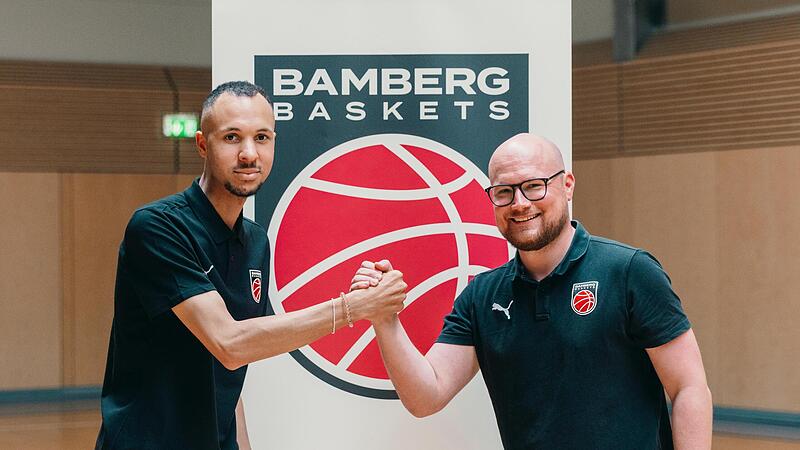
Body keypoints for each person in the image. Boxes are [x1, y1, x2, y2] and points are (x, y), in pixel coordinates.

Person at [95, 81, 407, 450]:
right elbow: (230, 343)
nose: (248, 154)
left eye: (261, 137)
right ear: (201, 144)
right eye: (231, 138)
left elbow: (230, 370)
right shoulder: (158, 227)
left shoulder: (256, 242)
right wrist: (351, 308)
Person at [352, 133, 712, 449]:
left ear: (567, 185)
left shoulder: (629, 271)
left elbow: (688, 387)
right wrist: (385, 320)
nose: (520, 203)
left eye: (534, 185)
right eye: (504, 192)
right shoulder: (483, 296)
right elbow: (425, 397)